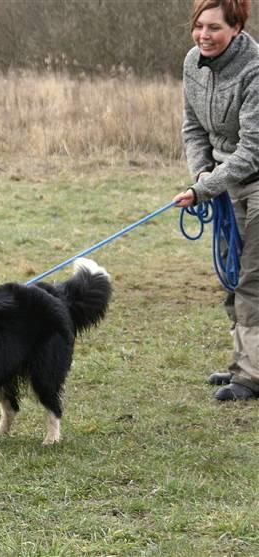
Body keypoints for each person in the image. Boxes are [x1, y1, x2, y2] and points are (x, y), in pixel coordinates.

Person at [174, 0, 259, 401]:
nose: (204, 35)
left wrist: (203, 189)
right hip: (223, 184)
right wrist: (202, 173)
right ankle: (243, 363)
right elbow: (193, 127)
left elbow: (252, 150)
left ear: (237, 28)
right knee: (230, 276)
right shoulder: (193, 62)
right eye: (199, 26)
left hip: (254, 181)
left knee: (252, 280)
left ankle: (251, 375)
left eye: (214, 28)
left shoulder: (255, 69)